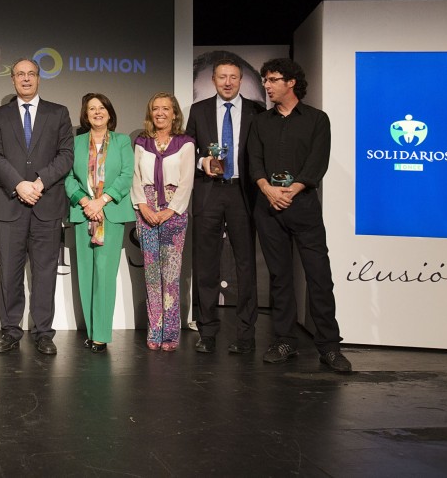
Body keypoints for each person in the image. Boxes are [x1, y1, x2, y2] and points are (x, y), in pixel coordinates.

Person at [248, 58, 352, 373]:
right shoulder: (260, 121)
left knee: (319, 277)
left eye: (273, 79)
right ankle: (285, 341)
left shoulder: (317, 120)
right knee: (280, 278)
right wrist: (268, 189)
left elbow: (317, 163)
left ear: (291, 82)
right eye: (264, 79)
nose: (266, 85)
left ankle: (330, 347)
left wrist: (291, 190)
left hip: (303, 206)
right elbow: (254, 161)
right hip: (269, 208)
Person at [0, 58, 74, 355]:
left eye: (31, 74)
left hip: (46, 203)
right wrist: (18, 184)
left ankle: (43, 333)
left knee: (45, 272)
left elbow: (65, 155)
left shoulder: (58, 113)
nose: (26, 79)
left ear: (39, 78)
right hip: (11, 203)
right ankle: (10, 330)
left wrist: (39, 183)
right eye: (20, 75)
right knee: (9, 272)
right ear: (12, 80)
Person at [185, 58, 265, 355]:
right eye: (222, 77)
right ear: (214, 80)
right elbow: (186, 151)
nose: (228, 82)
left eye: (233, 77)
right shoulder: (199, 109)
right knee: (205, 265)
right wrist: (201, 161)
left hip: (243, 193)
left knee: (246, 266)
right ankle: (207, 331)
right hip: (208, 192)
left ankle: (245, 334)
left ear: (240, 80)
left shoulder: (258, 111)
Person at [64, 93, 134, 354]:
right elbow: (68, 177)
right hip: (84, 214)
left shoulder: (122, 141)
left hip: (110, 213)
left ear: (109, 112)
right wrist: (85, 202)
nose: (96, 112)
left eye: (101, 107)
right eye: (91, 108)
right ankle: (92, 332)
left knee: (105, 275)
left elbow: (127, 175)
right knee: (86, 274)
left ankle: (102, 335)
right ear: (85, 114)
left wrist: (101, 201)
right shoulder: (76, 143)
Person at [130, 92, 195, 351]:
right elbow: (135, 177)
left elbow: (187, 181)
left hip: (174, 212)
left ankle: (170, 333)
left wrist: (170, 211)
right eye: (155, 108)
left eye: (165, 109)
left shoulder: (186, 143)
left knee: (170, 275)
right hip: (145, 208)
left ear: (174, 113)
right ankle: (154, 331)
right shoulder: (142, 142)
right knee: (151, 275)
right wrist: (143, 206)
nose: (160, 113)